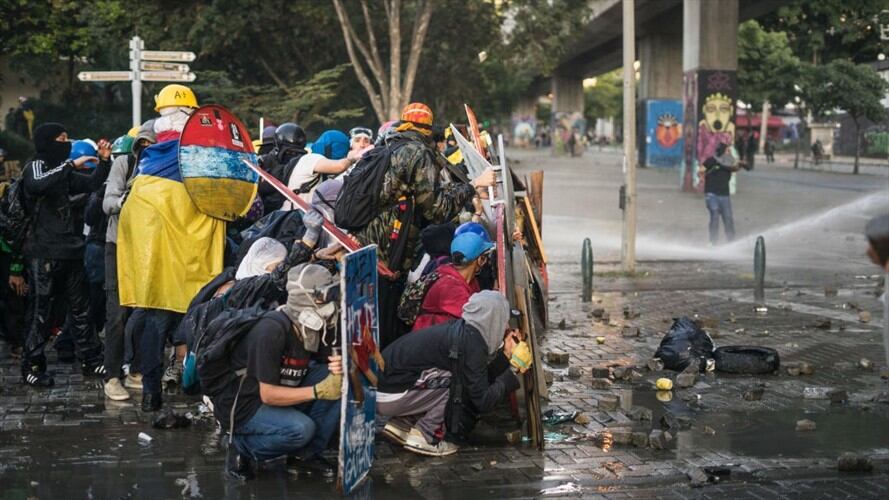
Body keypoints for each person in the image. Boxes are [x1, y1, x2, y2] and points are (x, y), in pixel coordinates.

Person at [353, 102, 495, 348]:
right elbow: (436, 209)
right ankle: (391, 372)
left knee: (369, 319)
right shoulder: (417, 152)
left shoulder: (388, 144)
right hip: (390, 252)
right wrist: (473, 186)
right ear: (428, 129)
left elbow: (420, 195)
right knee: (386, 321)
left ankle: (379, 369)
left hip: (368, 244)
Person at [117, 83, 213, 410]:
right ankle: (202, 387)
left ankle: (149, 391)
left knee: (156, 319)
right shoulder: (199, 158)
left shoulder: (147, 162)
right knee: (200, 314)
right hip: (190, 254)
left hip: (154, 254)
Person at [218, 263, 344, 479]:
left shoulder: (310, 327)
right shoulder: (271, 330)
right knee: (302, 429)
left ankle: (306, 455)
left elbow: (326, 362)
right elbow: (267, 394)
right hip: (246, 403)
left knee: (336, 379)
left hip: (284, 386)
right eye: (324, 298)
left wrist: (339, 365)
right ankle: (241, 445)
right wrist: (317, 392)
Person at [376, 291, 533, 456]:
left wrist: (506, 356)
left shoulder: (467, 333)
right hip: (389, 395)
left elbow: (480, 379)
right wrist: (513, 370)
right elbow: (482, 400)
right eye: (504, 321)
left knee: (460, 377)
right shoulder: (471, 343)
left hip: (389, 388)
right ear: (493, 320)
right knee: (457, 381)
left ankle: (408, 421)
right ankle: (424, 434)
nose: (506, 327)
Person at [19, 123, 111, 387]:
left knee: (81, 310)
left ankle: (92, 361)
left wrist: (103, 162)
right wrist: (70, 165)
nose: (66, 144)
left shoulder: (64, 173)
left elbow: (92, 183)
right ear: (47, 142)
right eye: (61, 139)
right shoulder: (36, 166)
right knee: (42, 311)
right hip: (44, 253)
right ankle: (32, 365)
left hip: (71, 251)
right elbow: (36, 185)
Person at [101, 123, 156, 401]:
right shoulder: (124, 163)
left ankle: (136, 370)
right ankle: (112, 376)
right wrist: (133, 195)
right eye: (144, 144)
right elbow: (108, 202)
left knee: (145, 311)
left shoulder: (167, 170)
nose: (148, 150)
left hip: (149, 248)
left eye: (154, 146)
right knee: (117, 313)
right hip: (119, 245)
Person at [412, 231, 493, 332]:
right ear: (480, 260)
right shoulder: (449, 287)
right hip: (429, 343)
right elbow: (478, 319)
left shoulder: (467, 280)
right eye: (484, 257)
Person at [283, 129, 357, 207]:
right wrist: (352, 158)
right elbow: (339, 166)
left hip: (309, 216)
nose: (344, 154)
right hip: (295, 215)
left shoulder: (321, 165)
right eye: (342, 149)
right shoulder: (310, 158)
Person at [258, 123, 307, 212]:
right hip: (298, 212)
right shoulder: (306, 159)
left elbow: (263, 188)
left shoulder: (268, 160)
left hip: (283, 213)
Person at [700, 142, 740, 245]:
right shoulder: (711, 160)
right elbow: (701, 170)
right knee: (715, 215)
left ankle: (731, 241)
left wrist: (741, 164)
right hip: (711, 194)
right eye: (727, 150)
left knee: (728, 219)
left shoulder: (730, 162)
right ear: (722, 151)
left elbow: (736, 168)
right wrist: (702, 176)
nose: (729, 152)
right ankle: (713, 241)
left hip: (724, 195)